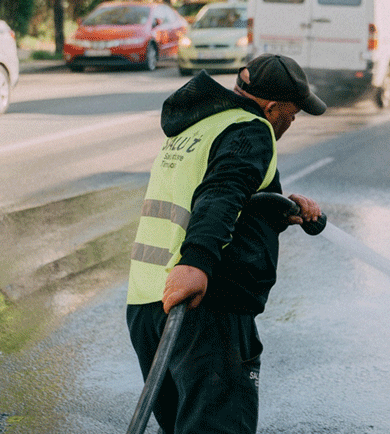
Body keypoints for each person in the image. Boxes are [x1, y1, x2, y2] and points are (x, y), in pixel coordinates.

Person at [126, 54, 327, 434]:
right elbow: (221, 193)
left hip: (149, 304)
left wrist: (270, 211)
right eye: (294, 111)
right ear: (272, 108)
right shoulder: (251, 129)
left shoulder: (200, 126)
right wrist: (197, 262)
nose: (294, 120)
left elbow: (209, 199)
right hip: (205, 309)